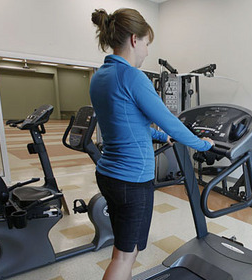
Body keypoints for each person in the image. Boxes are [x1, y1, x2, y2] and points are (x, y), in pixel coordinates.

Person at [89, 8, 214, 280]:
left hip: (108, 173)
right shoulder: (133, 77)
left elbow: (123, 122)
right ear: (135, 40)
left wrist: (159, 136)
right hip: (132, 180)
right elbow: (170, 122)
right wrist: (203, 145)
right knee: (125, 256)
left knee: (123, 249)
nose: (146, 50)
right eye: (147, 43)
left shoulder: (100, 76)